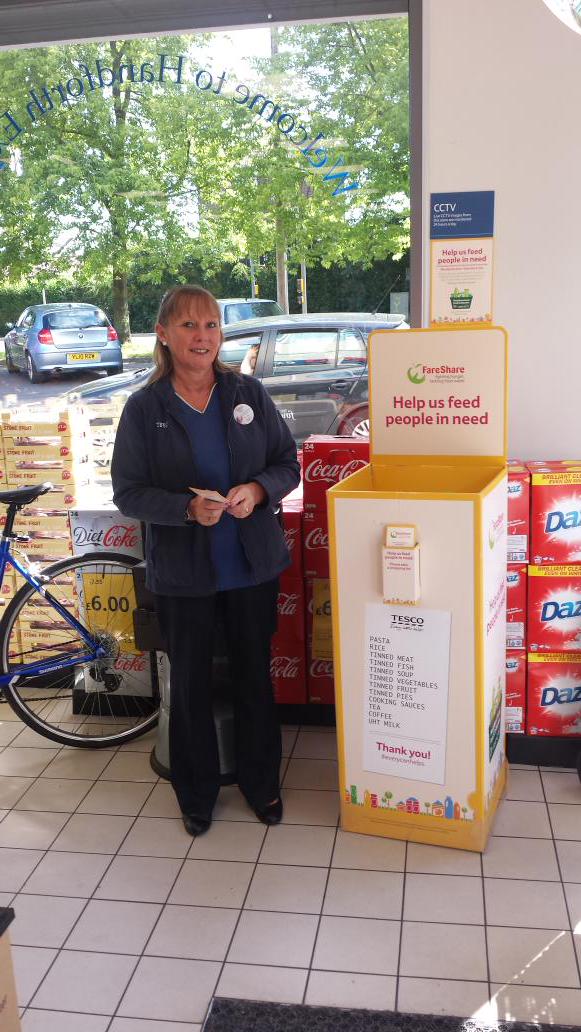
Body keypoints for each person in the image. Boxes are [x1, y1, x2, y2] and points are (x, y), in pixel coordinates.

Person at [111, 285, 300, 836]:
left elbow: (287, 463)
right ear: (164, 335)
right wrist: (187, 509)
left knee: (253, 679)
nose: (203, 337)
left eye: (212, 325)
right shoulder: (145, 409)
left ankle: (261, 784)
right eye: (189, 326)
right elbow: (128, 492)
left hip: (250, 569)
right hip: (183, 574)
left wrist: (259, 491)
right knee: (189, 684)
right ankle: (195, 795)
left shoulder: (247, 393)